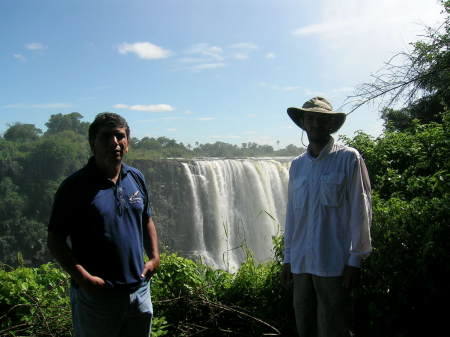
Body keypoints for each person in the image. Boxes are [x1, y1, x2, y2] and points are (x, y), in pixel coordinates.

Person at [47, 112, 160, 337]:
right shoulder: (75, 187)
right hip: (98, 297)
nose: (114, 143)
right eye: (106, 137)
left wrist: (155, 257)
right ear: (93, 144)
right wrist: (84, 279)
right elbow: (55, 239)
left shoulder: (136, 177)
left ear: (127, 142)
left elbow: (146, 219)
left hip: (139, 291)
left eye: (120, 136)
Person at [280, 97, 372, 337]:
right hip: (301, 263)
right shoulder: (297, 165)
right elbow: (292, 214)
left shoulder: (348, 158)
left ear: (331, 125)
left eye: (322, 119)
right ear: (303, 123)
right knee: (305, 325)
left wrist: (356, 259)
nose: (316, 124)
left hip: (333, 262)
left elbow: (360, 209)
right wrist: (287, 257)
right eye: (310, 118)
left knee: (333, 327)